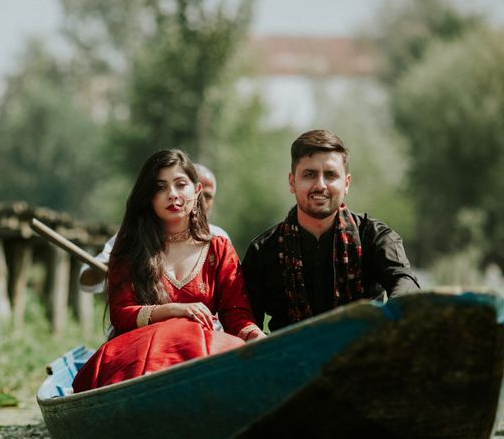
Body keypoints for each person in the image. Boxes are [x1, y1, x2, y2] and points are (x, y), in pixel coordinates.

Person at [72, 150, 264, 393]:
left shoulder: (219, 246)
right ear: (148, 198)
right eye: (160, 188)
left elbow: (236, 313)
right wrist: (173, 310)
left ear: (196, 191)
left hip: (201, 348)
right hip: (139, 352)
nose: (172, 195)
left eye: (180, 184)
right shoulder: (130, 245)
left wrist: (254, 335)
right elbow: (121, 314)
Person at [241, 129, 420, 333]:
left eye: (330, 175)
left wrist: (390, 317)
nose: (320, 185)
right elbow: (243, 319)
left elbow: (406, 282)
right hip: (290, 360)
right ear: (292, 182)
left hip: (363, 355)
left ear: (346, 183)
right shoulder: (263, 251)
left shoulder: (375, 237)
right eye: (309, 174)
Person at [79, 163, 228, 294]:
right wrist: (120, 265)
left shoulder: (218, 240)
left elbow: (233, 297)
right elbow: (86, 280)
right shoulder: (137, 235)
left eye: (207, 196)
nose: (200, 200)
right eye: (167, 187)